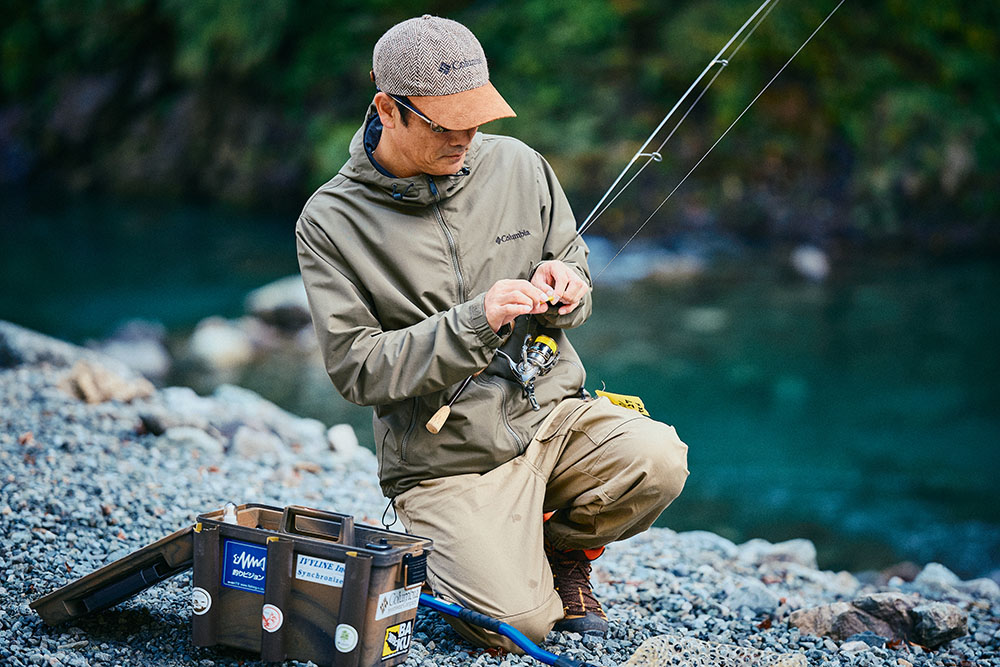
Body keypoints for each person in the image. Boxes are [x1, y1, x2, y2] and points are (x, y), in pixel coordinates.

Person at [296, 14, 689, 651]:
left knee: (660, 460)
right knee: (516, 632)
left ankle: (563, 554)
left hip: (553, 420)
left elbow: (574, 265)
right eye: (447, 125)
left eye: (477, 117)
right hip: (443, 462)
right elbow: (357, 371)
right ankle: (486, 552)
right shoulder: (330, 221)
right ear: (386, 110)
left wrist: (569, 289)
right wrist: (476, 320)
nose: (468, 137)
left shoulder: (520, 166)